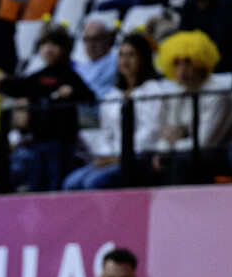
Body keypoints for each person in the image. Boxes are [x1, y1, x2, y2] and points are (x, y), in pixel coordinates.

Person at [0, 25, 96, 192]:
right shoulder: (36, 77)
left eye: (55, 44)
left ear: (65, 49)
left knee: (57, 185)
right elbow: (17, 87)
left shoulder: (69, 75)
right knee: (37, 185)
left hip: (63, 143)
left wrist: (72, 91)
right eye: (45, 44)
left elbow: (89, 96)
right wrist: (2, 82)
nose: (49, 49)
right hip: (39, 142)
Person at [64, 33, 165, 190]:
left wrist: (122, 156)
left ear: (143, 58)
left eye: (131, 55)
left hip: (139, 158)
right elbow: (107, 133)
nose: (125, 61)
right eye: (121, 55)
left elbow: (152, 130)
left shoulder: (153, 90)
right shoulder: (113, 94)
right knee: (70, 183)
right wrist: (105, 156)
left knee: (93, 183)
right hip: (112, 158)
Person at [151, 30, 232, 183]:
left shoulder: (217, 92)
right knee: (154, 162)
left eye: (188, 61)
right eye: (177, 63)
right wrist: (161, 153)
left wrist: (174, 144)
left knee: (182, 161)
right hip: (196, 153)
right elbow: (169, 132)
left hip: (230, 155)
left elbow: (205, 143)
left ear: (201, 61)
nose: (182, 69)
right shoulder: (179, 92)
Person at [75, 20, 119, 98]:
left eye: (95, 39)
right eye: (87, 39)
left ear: (106, 39)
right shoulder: (80, 67)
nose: (90, 44)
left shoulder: (116, 62)